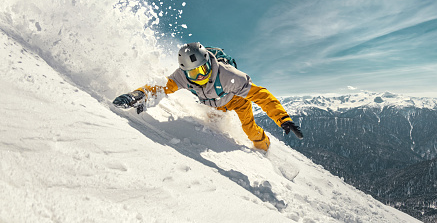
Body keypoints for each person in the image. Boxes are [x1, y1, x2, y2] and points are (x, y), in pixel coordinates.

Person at [113, 42, 303, 151]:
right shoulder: (182, 77)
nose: (201, 76)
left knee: (250, 130)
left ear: (209, 62)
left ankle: (264, 150)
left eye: (203, 69)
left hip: (237, 102)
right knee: (213, 129)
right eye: (194, 74)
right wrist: (138, 95)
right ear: (185, 72)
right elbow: (161, 87)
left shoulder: (228, 75)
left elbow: (261, 95)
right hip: (214, 105)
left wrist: (283, 118)